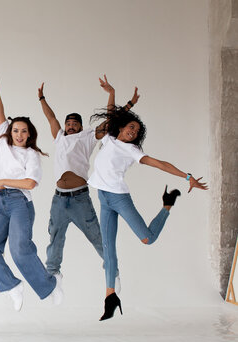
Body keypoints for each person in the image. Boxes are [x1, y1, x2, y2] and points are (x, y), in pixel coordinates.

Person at [88, 75, 208, 321]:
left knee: (148, 239)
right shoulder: (110, 138)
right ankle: (110, 297)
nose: (133, 131)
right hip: (103, 198)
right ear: (121, 128)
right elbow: (111, 114)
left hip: (119, 198)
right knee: (109, 248)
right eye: (131, 127)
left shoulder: (133, 151)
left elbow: (161, 164)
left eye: (137, 131)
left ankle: (167, 205)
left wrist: (188, 177)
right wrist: (112, 92)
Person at [37, 81, 139, 294]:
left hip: (80, 199)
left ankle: (113, 270)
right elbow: (51, 118)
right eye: (69, 124)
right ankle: (53, 275)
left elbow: (111, 122)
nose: (71, 126)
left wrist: (125, 102)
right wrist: (41, 98)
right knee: (54, 237)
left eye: (75, 123)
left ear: (81, 127)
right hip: (59, 199)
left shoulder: (88, 137)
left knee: (97, 237)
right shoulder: (59, 138)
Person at [0, 65, 62, 311]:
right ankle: (11, 286)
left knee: (18, 249)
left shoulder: (31, 155)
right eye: (16, 130)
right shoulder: (3, 140)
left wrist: (3, 181)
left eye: (23, 131)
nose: (18, 134)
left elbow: (30, 183)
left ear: (29, 135)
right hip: (3, 204)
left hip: (20, 204)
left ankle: (50, 285)